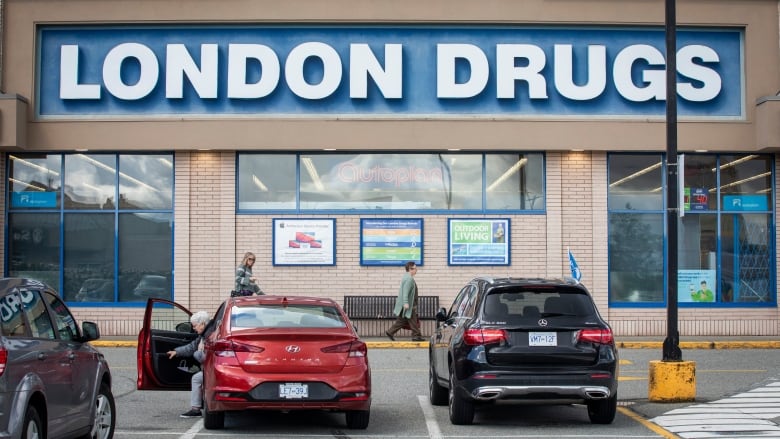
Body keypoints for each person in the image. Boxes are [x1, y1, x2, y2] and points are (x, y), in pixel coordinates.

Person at [167, 311, 211, 418]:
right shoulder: (203, 336)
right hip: (209, 370)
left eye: (195, 326)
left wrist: (197, 354)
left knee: (196, 378)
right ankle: (197, 408)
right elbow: (191, 347)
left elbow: (204, 356)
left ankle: (196, 409)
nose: (194, 328)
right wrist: (177, 352)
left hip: (213, 371)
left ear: (203, 324)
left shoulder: (210, 337)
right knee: (197, 378)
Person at [385, 261, 425, 342]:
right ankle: (416, 336)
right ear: (410, 269)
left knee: (402, 320)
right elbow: (405, 292)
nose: (416, 270)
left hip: (407, 304)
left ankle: (390, 332)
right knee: (412, 319)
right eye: (415, 268)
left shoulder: (406, 277)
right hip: (408, 304)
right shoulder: (409, 279)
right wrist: (406, 302)